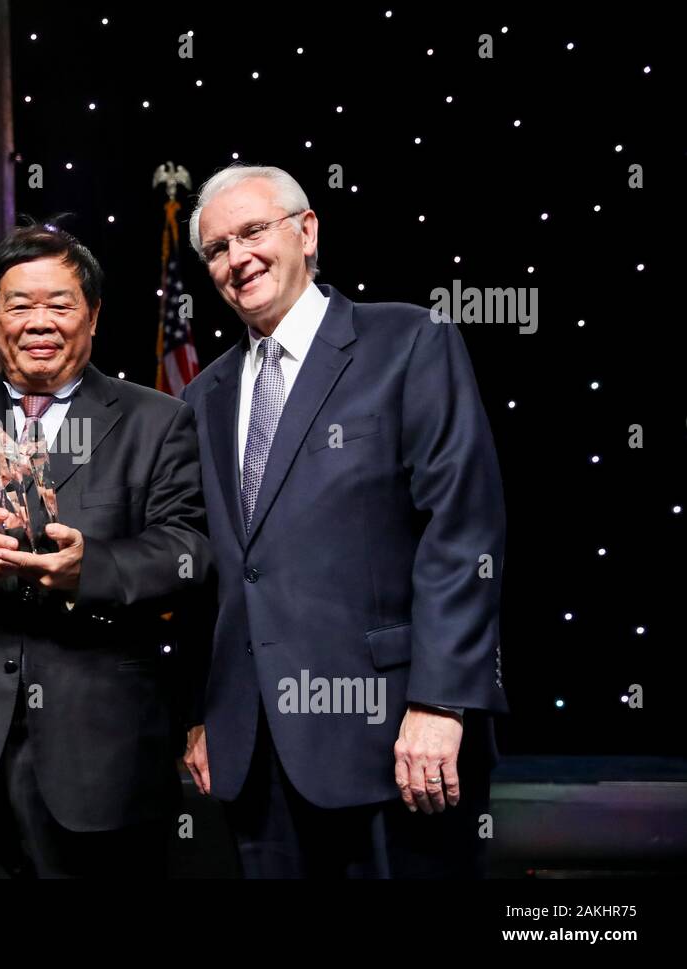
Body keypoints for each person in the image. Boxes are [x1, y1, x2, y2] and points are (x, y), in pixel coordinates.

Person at [181, 165, 507, 877]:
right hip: (256, 758)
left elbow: (462, 529)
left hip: (396, 741)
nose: (237, 258)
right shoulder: (205, 393)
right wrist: (211, 712)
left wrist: (440, 700)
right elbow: (222, 569)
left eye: (252, 231)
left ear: (307, 230)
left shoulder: (409, 342)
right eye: (215, 248)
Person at [0, 221, 212, 877]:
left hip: (103, 754)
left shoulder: (157, 420)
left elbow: (187, 550)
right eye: (18, 304)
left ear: (94, 314)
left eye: (60, 303)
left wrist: (93, 569)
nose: (39, 321)